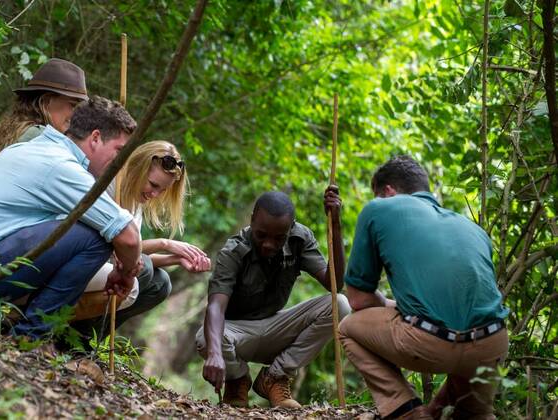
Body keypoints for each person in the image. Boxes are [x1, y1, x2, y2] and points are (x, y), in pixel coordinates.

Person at [0, 96, 141, 339]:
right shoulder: (60, 166)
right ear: (96, 138)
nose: (119, 164)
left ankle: (29, 330)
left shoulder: (42, 148)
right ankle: (32, 336)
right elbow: (127, 235)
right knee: (98, 236)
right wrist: (127, 271)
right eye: (119, 151)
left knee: (90, 227)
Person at [339, 156, 509, 420]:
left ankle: (407, 412)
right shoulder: (472, 228)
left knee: (348, 327)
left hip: (430, 344)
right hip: (491, 344)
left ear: (388, 191)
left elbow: (358, 301)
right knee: (467, 414)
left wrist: (385, 304)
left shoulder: (379, 209)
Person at [197, 189, 349, 408]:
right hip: (238, 335)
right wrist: (214, 355)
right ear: (251, 221)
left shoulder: (300, 238)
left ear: (291, 227)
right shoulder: (234, 251)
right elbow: (215, 307)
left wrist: (335, 224)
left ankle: (274, 377)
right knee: (205, 338)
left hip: (277, 328)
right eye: (261, 235)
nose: (269, 244)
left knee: (340, 304)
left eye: (279, 238)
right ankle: (237, 381)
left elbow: (334, 282)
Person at [71, 141, 211, 334]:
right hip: (77, 264)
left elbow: (127, 256)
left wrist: (177, 259)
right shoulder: (110, 186)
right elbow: (121, 250)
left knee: (161, 284)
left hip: (106, 266)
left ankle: (84, 343)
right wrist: (165, 244)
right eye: (153, 185)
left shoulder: (137, 201)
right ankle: (73, 334)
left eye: (162, 190)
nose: (155, 194)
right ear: (138, 167)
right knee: (142, 269)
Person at [0, 58, 88, 162]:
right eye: (72, 105)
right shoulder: (39, 138)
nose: (74, 114)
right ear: (47, 102)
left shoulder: (19, 130)